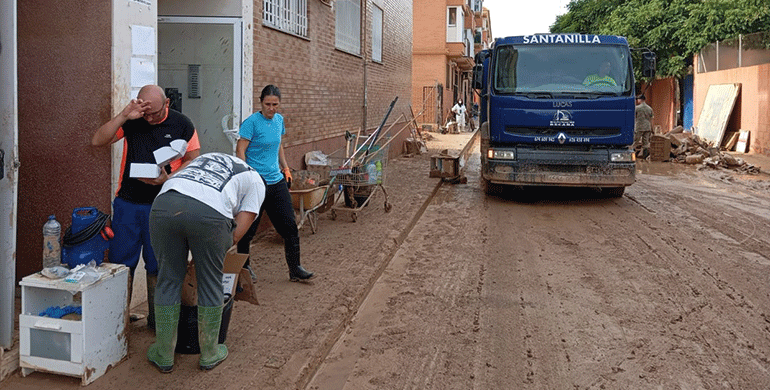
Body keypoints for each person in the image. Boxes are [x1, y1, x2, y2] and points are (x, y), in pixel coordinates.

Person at [91, 85, 200, 330]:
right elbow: (97, 140)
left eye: (155, 113)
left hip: (163, 205)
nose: (149, 118)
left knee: (159, 265)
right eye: (145, 112)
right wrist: (123, 115)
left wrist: (168, 178)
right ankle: (117, 323)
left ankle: (157, 322)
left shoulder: (182, 124)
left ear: (168, 103)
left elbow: (194, 158)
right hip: (127, 204)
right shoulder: (133, 120)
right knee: (121, 264)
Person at [147, 152, 265, 372]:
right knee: (210, 280)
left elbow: (180, 182)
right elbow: (237, 234)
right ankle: (210, 353)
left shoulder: (208, 158)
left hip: (163, 206)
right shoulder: (256, 181)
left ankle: (164, 354)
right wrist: (209, 252)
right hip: (210, 214)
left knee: (168, 278)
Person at [235, 85, 314, 281]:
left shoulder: (279, 120)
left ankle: (295, 269)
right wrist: (247, 175)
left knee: (289, 226)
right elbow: (240, 149)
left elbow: (279, 147)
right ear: (261, 103)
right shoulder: (251, 123)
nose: (272, 108)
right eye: (268, 104)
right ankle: (244, 269)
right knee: (248, 229)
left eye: (275, 105)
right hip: (256, 181)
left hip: (276, 180)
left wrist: (286, 168)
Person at [634, 94, 654, 158]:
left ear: (640, 100)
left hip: (639, 127)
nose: (637, 101)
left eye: (638, 99)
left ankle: (632, 156)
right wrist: (652, 128)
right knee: (646, 143)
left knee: (635, 141)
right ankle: (645, 157)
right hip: (647, 127)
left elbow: (633, 117)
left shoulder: (637, 108)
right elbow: (652, 119)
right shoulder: (650, 108)